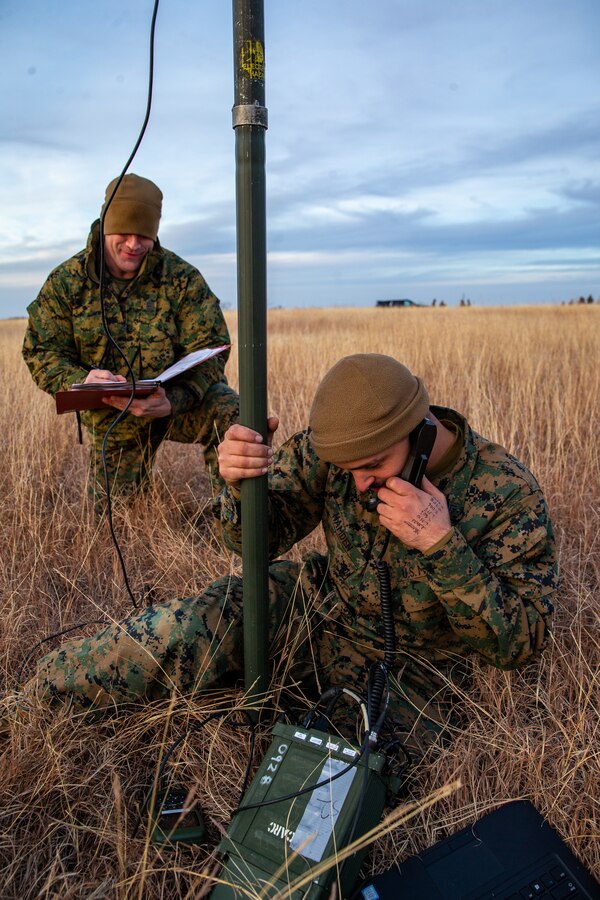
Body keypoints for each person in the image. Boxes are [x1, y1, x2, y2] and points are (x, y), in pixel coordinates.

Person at [26, 354, 557, 756]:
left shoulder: (508, 493)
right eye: (346, 469)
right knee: (198, 626)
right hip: (322, 605)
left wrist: (442, 545)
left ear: (421, 434)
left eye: (373, 466)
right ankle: (35, 696)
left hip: (420, 667)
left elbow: (519, 646)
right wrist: (238, 484)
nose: (359, 483)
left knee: (332, 774)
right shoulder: (340, 449)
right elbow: (253, 540)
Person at [22, 173, 238, 500]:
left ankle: (235, 525)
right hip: (112, 415)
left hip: (174, 404)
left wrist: (173, 399)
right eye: (124, 233)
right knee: (115, 525)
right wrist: (80, 379)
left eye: (144, 235)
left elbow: (212, 349)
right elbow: (41, 352)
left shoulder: (181, 278)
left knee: (232, 411)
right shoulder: (67, 282)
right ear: (106, 225)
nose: (134, 245)